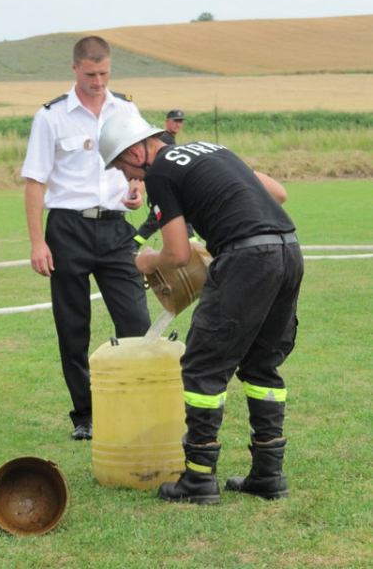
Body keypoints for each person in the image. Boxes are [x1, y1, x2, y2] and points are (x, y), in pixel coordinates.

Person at [99, 113, 304, 504]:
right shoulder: (214, 150)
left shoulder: (159, 173)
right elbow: (278, 194)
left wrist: (147, 261)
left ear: (135, 151)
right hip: (288, 249)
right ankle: (268, 474)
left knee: (202, 368)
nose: (129, 179)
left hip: (247, 259)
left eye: (123, 167)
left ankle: (198, 479)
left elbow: (176, 254)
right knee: (262, 364)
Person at [21, 37, 151, 442]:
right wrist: (37, 242)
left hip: (115, 230)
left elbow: (140, 163)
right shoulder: (51, 117)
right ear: (75, 69)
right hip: (67, 230)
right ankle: (86, 416)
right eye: (91, 74)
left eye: (105, 73)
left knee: (137, 323)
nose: (99, 81)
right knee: (73, 328)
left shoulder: (126, 109)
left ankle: (138, 407)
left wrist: (137, 190)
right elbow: (34, 182)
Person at [133, 109, 195, 248]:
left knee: (178, 218)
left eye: (180, 122)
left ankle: (195, 247)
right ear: (167, 122)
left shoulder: (168, 138)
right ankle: (132, 245)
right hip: (163, 189)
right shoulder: (165, 140)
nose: (178, 125)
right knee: (155, 221)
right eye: (175, 121)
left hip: (165, 189)